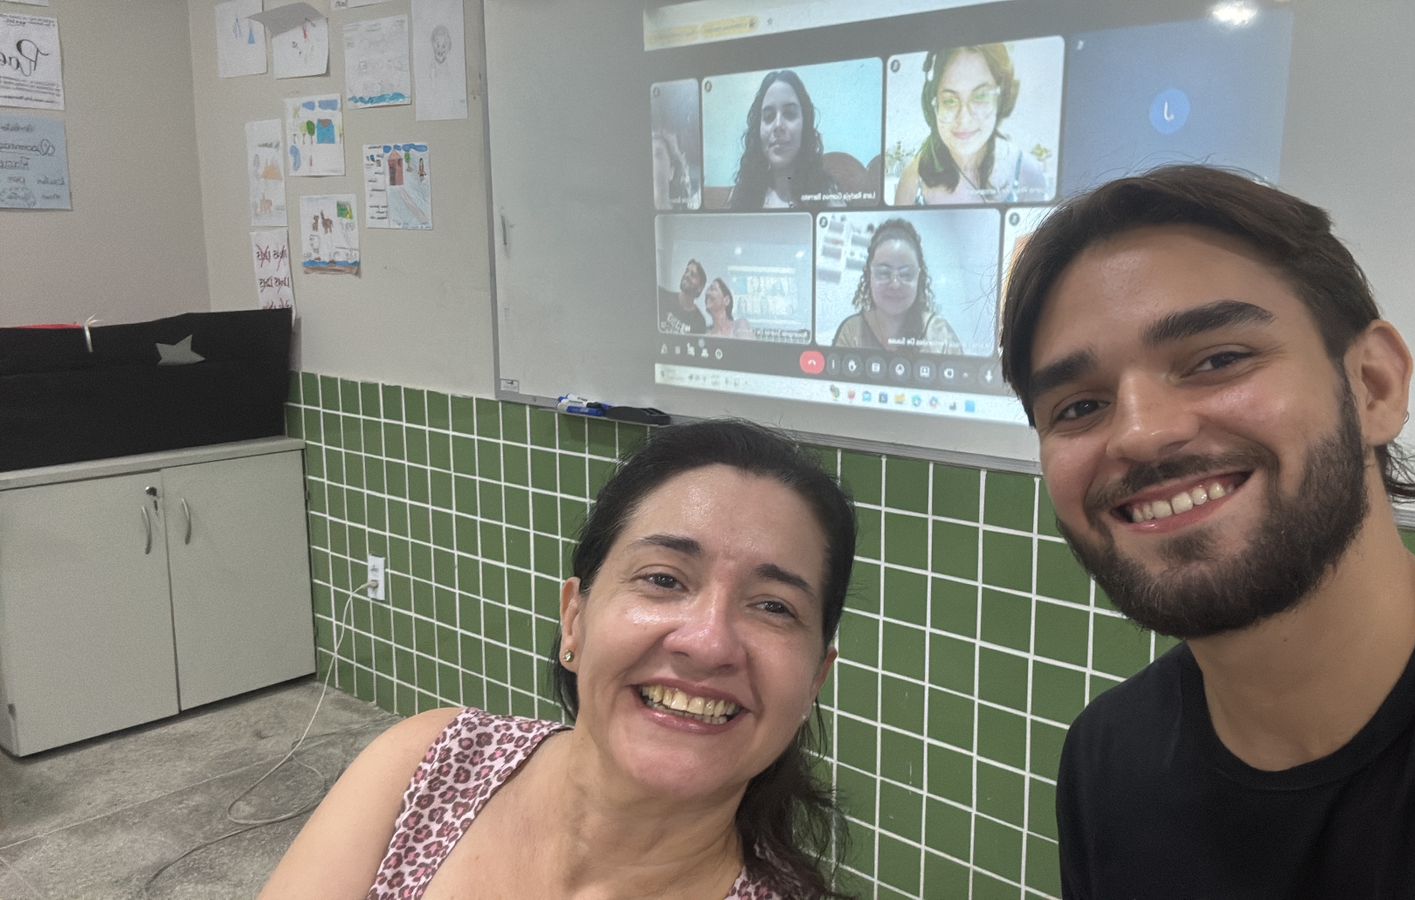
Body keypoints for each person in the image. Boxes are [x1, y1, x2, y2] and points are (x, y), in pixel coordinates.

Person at [998, 164, 1415, 898]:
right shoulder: (1108, 759)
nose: (1141, 434)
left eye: (1218, 360)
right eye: (1079, 407)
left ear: (1374, 385)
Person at [259, 420, 857, 899]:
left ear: (813, 682)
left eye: (774, 607)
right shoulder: (432, 765)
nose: (708, 642)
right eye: (663, 579)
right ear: (575, 617)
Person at [893, 44, 1046, 207]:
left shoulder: (1028, 174)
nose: (964, 119)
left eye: (980, 96)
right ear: (933, 104)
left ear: (1000, 99)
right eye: (950, 101)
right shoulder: (912, 177)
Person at [831, 218, 962, 355]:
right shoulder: (852, 331)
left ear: (918, 277)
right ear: (870, 275)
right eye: (884, 272)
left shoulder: (940, 334)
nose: (895, 284)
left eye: (906, 274)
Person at [726, 70, 841, 210]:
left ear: (804, 125)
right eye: (769, 116)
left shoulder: (827, 194)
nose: (778, 125)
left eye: (790, 114)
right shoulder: (741, 195)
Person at [659, 258, 709, 335]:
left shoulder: (699, 322)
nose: (687, 275)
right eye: (686, 271)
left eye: (693, 274)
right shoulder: (662, 296)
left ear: (700, 287)